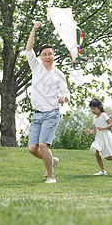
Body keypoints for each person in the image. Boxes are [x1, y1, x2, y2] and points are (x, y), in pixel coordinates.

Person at [25, 22, 70, 184]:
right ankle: (52, 160)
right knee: (32, 148)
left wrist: (63, 98)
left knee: (43, 145)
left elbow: (65, 93)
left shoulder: (59, 74)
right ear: (40, 57)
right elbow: (28, 49)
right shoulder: (36, 67)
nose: (48, 56)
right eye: (44, 54)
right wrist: (33, 29)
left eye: (50, 53)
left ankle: (51, 177)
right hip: (37, 114)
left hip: (51, 113)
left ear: (54, 56)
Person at [84, 98, 112, 175]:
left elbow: (111, 124)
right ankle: (102, 171)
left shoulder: (104, 115)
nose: (92, 110)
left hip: (106, 137)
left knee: (107, 157)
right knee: (97, 155)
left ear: (99, 107)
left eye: (94, 108)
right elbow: (94, 130)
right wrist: (89, 132)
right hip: (98, 138)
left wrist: (103, 128)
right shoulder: (94, 118)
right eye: (91, 108)